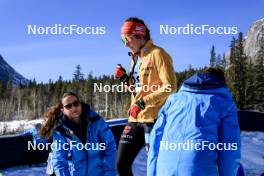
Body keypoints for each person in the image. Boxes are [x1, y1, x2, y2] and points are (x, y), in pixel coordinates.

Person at [148, 68, 241, 176]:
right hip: (198, 169)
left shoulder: (173, 100)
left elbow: (155, 138)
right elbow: (230, 150)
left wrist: (152, 173)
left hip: (164, 168)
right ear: (221, 83)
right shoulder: (225, 104)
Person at [114, 17, 177, 176]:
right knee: (121, 165)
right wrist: (124, 79)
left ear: (140, 35)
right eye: (123, 40)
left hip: (153, 120)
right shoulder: (136, 59)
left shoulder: (158, 54)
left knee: (156, 169)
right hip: (135, 119)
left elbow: (170, 86)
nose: (126, 44)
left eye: (127, 39)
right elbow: (138, 90)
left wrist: (142, 103)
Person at [40, 92, 116, 176]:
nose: (74, 107)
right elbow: (59, 160)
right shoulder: (60, 131)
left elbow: (110, 147)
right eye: (69, 106)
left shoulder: (96, 121)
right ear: (63, 110)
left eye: (76, 103)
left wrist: (109, 173)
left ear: (80, 103)